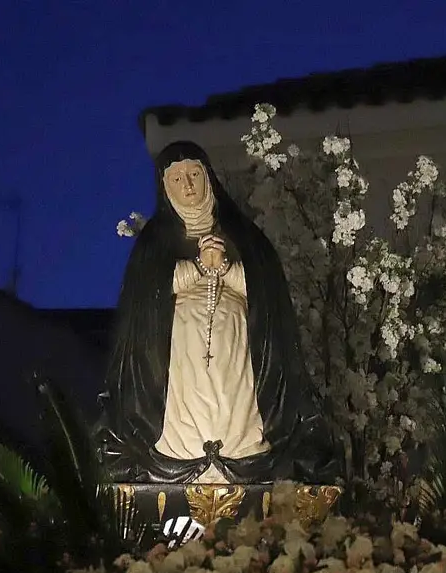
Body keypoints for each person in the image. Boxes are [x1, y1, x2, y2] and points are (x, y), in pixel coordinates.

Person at [97, 141, 338, 485]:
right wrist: (196, 267)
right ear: (165, 187)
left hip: (237, 350)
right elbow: (143, 298)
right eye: (178, 178)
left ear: (209, 178)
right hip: (178, 359)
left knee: (233, 407)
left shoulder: (244, 235)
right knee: (187, 414)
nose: (189, 185)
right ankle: (182, 457)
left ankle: (241, 455)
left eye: (194, 174)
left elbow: (267, 292)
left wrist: (225, 268)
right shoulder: (154, 241)